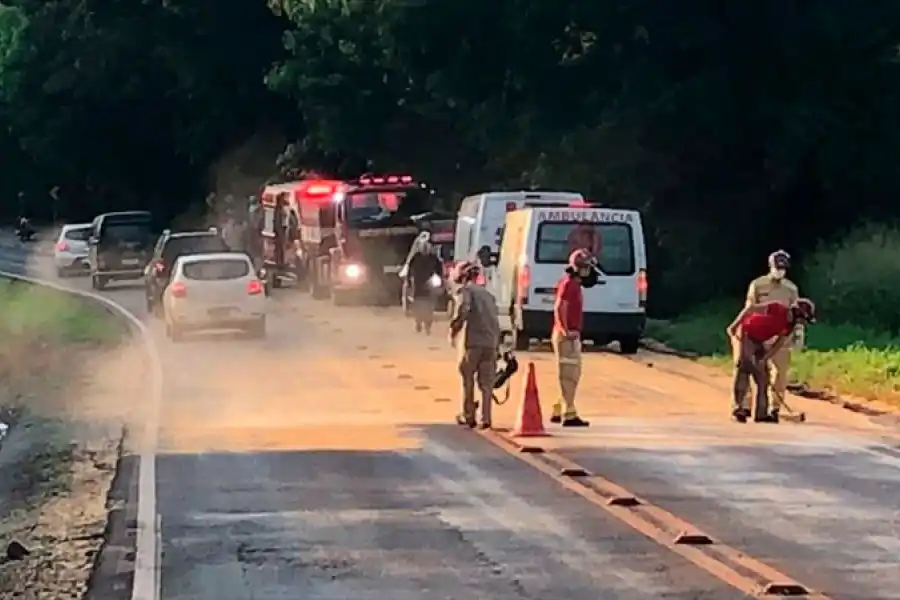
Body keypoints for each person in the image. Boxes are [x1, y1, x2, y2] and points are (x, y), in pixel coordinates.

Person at [726, 298, 817, 423]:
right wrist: (734, 325)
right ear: (797, 313)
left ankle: (761, 414)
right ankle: (738, 408)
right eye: (802, 319)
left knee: (763, 376)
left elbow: (778, 344)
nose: (801, 323)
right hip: (745, 332)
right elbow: (750, 308)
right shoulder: (776, 308)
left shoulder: (789, 327)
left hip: (759, 340)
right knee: (744, 366)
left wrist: (765, 358)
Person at [743, 250, 801, 409]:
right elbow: (749, 308)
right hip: (758, 334)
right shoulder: (758, 285)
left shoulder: (791, 289)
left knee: (780, 373)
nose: (780, 271)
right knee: (750, 369)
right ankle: (746, 405)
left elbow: (797, 313)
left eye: (783, 268)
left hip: (781, 337)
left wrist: (798, 333)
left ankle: (774, 407)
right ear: (770, 266)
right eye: (777, 267)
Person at [449, 260, 500, 429]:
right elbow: (496, 322)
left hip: (473, 343)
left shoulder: (465, 291)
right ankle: (486, 418)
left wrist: (454, 330)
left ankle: (469, 414)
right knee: (487, 384)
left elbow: (462, 310)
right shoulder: (489, 296)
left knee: (467, 378)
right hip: (490, 343)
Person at [550, 249, 594, 427]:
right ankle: (569, 413)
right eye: (587, 267)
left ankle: (558, 408)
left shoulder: (571, 284)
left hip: (569, 334)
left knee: (568, 373)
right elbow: (560, 307)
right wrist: (565, 331)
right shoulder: (570, 285)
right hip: (567, 336)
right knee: (570, 375)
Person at [407, 234, 443, 334]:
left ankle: (428, 326)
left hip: (430, 285)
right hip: (418, 284)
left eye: (427, 247)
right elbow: (410, 270)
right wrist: (409, 282)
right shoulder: (416, 258)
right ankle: (418, 322)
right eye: (424, 247)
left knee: (430, 307)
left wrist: (440, 281)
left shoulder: (434, 258)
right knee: (417, 305)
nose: (425, 249)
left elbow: (440, 271)